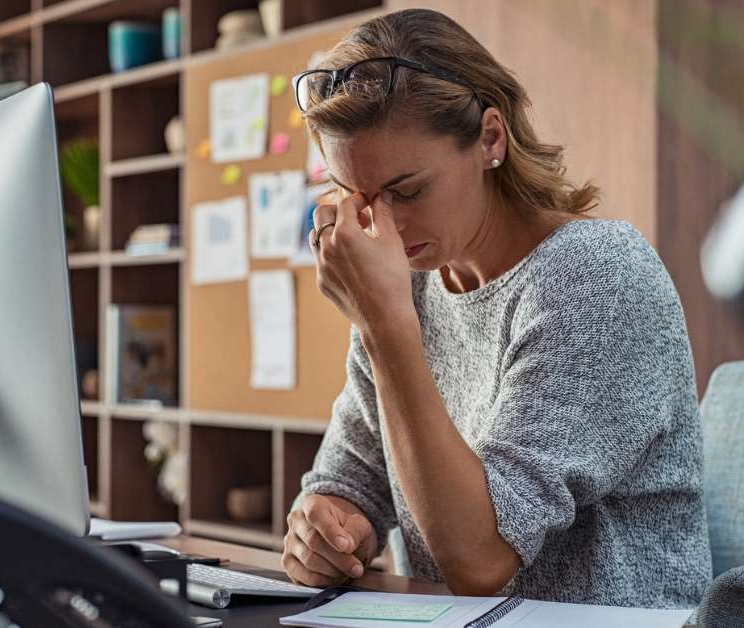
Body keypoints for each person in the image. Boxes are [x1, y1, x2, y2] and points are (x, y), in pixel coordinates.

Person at [282, 8, 711, 607]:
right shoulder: (408, 286)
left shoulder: (595, 276)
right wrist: (327, 527)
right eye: (358, 196)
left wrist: (384, 325)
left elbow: (480, 559)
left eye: (407, 191)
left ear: (490, 138)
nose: (383, 225)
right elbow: (352, 476)